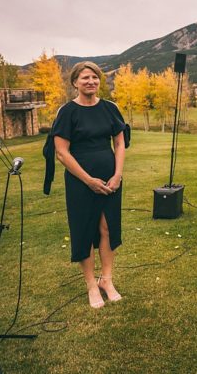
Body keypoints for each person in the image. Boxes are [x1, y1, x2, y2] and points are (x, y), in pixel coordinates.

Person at [49, 61, 128, 309]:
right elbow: (61, 153)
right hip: (80, 181)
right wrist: (88, 180)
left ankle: (107, 280)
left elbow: (120, 144)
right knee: (85, 229)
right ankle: (91, 285)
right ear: (75, 82)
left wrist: (117, 175)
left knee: (107, 228)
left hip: (110, 179)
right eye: (85, 78)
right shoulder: (67, 112)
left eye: (94, 77)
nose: (90, 82)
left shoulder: (110, 108)